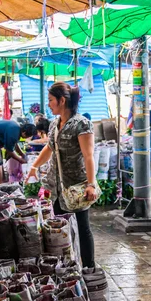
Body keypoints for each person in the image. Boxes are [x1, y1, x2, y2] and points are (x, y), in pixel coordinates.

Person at [25, 82, 98, 268]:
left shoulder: (81, 124)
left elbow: (89, 156)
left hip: (75, 187)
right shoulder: (54, 124)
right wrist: (34, 167)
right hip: (56, 188)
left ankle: (89, 267)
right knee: (59, 230)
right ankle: (66, 268)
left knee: (82, 228)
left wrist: (91, 184)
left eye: (51, 100)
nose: (48, 104)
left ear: (62, 100)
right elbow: (49, 148)